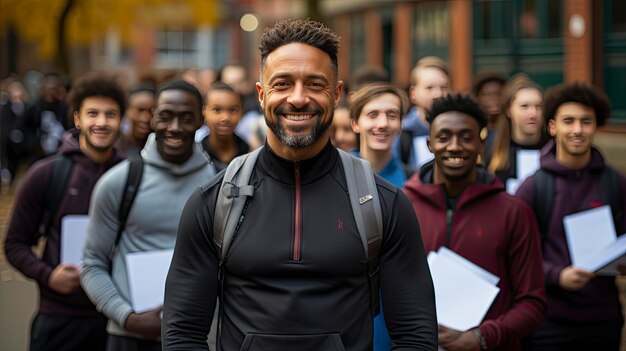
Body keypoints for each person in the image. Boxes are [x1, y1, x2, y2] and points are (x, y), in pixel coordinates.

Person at [162, 18, 437, 350]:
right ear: (262, 95)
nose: (297, 98)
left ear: (337, 95)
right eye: (282, 84)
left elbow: (416, 335)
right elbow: (182, 333)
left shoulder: (383, 203)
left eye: (314, 84)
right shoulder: (214, 202)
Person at [80, 80, 217, 350]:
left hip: (198, 337)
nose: (175, 127)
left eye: (186, 118)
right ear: (152, 117)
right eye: (165, 116)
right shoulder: (119, 182)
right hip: (129, 337)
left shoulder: (222, 183)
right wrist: (127, 318)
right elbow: (91, 263)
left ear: (201, 120)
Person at [403, 94, 546, 351]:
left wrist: (482, 338)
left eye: (466, 137)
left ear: (481, 145)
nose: (455, 146)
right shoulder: (402, 206)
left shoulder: (513, 212)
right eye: (444, 137)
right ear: (429, 143)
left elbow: (532, 302)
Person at [3, 73, 126, 351]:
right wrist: (48, 276)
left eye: (111, 114)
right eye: (92, 113)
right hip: (60, 318)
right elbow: (14, 244)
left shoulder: (132, 175)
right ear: (77, 119)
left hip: (117, 319)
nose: (102, 123)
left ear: (121, 120)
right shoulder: (47, 173)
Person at [516, 82, 625, 351]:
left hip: (604, 320)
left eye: (586, 121)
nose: (577, 130)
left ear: (595, 125)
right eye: (569, 121)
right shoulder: (533, 187)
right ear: (553, 127)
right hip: (548, 323)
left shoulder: (616, 182)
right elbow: (518, 256)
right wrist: (557, 275)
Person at [348, 83, 410, 351]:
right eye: (373, 114)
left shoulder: (415, 183)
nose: (383, 123)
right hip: (344, 308)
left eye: (392, 115)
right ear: (355, 123)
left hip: (396, 311)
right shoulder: (335, 177)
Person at [486, 75, 547, 184]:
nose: (533, 114)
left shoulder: (554, 150)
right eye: (524, 106)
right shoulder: (493, 149)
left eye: (539, 106)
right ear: (509, 110)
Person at [396, 56, 450, 175]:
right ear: (413, 93)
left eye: (444, 88)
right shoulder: (401, 131)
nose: (438, 94)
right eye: (429, 88)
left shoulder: (459, 129)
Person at [200, 81, 249, 171]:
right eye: (217, 110)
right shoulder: (197, 155)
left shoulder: (249, 156)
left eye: (233, 110)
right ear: (204, 111)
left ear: (241, 112)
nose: (225, 118)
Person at [471, 72, 506, 155]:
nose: (493, 98)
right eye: (487, 94)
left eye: (498, 94)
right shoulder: (473, 130)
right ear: (477, 98)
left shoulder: (513, 132)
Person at [116, 83, 157, 157]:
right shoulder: (114, 147)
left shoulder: (161, 150)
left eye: (152, 111)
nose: (145, 118)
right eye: (140, 110)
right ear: (127, 110)